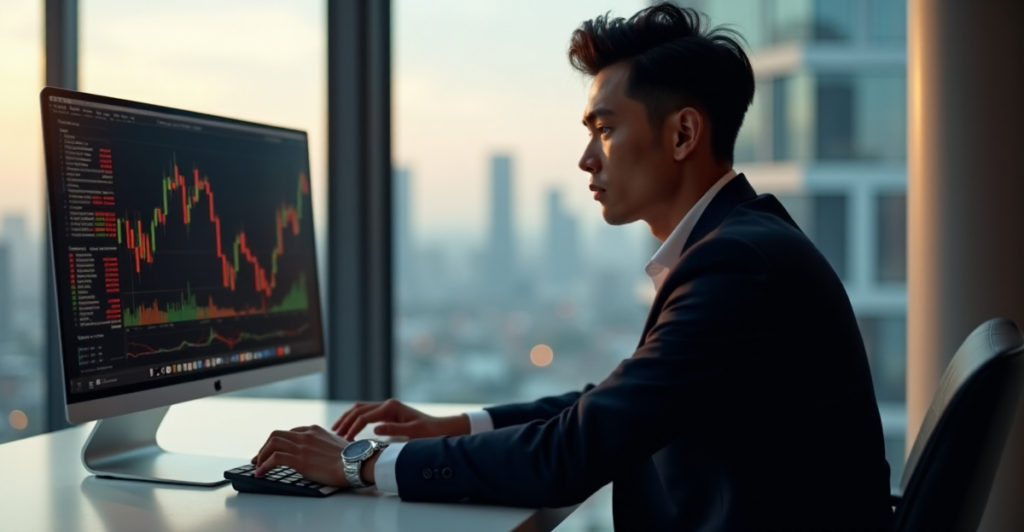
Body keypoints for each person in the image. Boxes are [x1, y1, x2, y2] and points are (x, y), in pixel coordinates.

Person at [252, 4, 893, 530]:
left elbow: (575, 453)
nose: (587, 158)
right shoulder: (741, 242)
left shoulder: (736, 265)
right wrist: (454, 425)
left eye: (605, 128)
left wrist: (362, 461)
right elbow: (613, 407)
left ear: (682, 135)